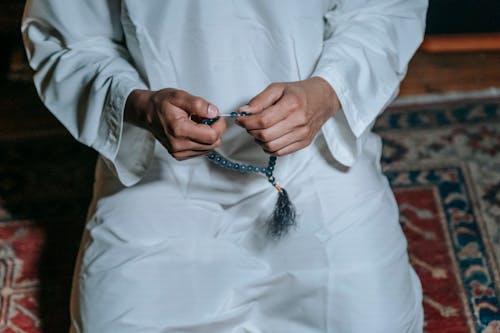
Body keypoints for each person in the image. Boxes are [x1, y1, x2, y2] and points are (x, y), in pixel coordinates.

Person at [22, 0, 428, 332]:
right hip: (161, 173)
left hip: (315, 168)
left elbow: (385, 10)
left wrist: (328, 91)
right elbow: (70, 39)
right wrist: (140, 106)